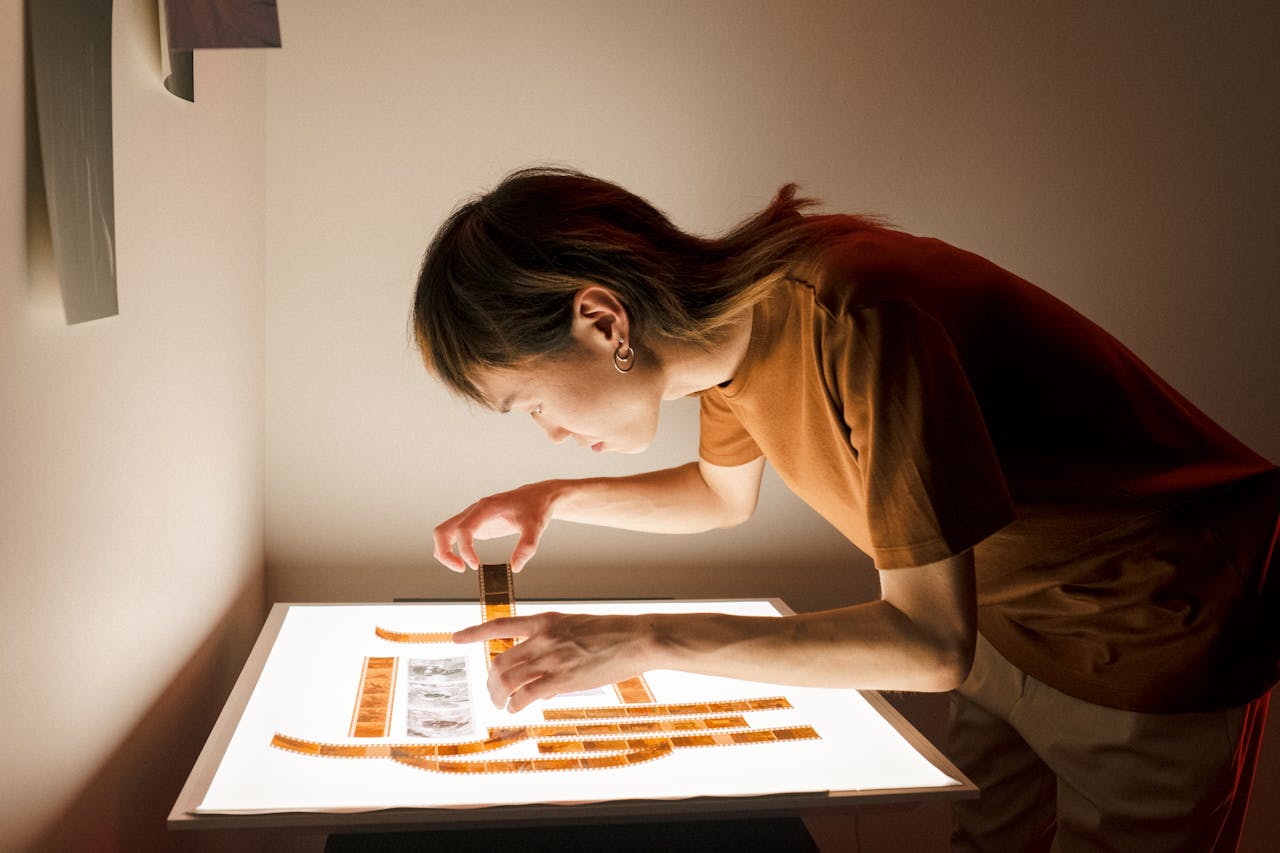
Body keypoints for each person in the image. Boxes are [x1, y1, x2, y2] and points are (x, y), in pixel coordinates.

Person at [411, 167, 1280, 852]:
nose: (550, 432)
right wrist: (555, 498)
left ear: (601, 320)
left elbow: (928, 648)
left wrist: (646, 639)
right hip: (1004, 626)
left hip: (1150, 621)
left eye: (530, 402)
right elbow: (718, 497)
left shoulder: (856, 313)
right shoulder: (722, 342)